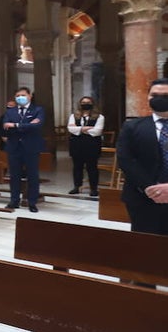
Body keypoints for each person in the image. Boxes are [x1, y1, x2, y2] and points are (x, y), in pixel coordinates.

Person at [116, 79, 168, 235]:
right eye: (155, 95)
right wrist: (150, 188)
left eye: (165, 95)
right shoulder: (132, 127)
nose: (159, 99)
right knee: (145, 248)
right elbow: (126, 160)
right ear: (148, 97)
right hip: (142, 198)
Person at [0, 86, 46, 213]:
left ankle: (32, 202)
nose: (20, 98)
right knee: (14, 176)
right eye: (18, 96)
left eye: (23, 95)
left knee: (32, 176)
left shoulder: (37, 110)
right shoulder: (11, 111)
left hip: (31, 147)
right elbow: (5, 126)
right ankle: (14, 200)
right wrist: (27, 125)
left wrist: (16, 125)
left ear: (30, 96)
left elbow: (37, 126)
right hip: (14, 147)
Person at [67, 95, 104, 197]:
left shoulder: (99, 117)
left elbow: (97, 131)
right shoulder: (73, 116)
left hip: (92, 145)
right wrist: (86, 128)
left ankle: (93, 188)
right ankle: (77, 186)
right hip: (76, 145)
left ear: (92, 104)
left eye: (88, 103)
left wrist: (79, 129)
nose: (85, 105)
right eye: (83, 103)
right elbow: (70, 129)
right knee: (77, 167)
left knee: (92, 167)